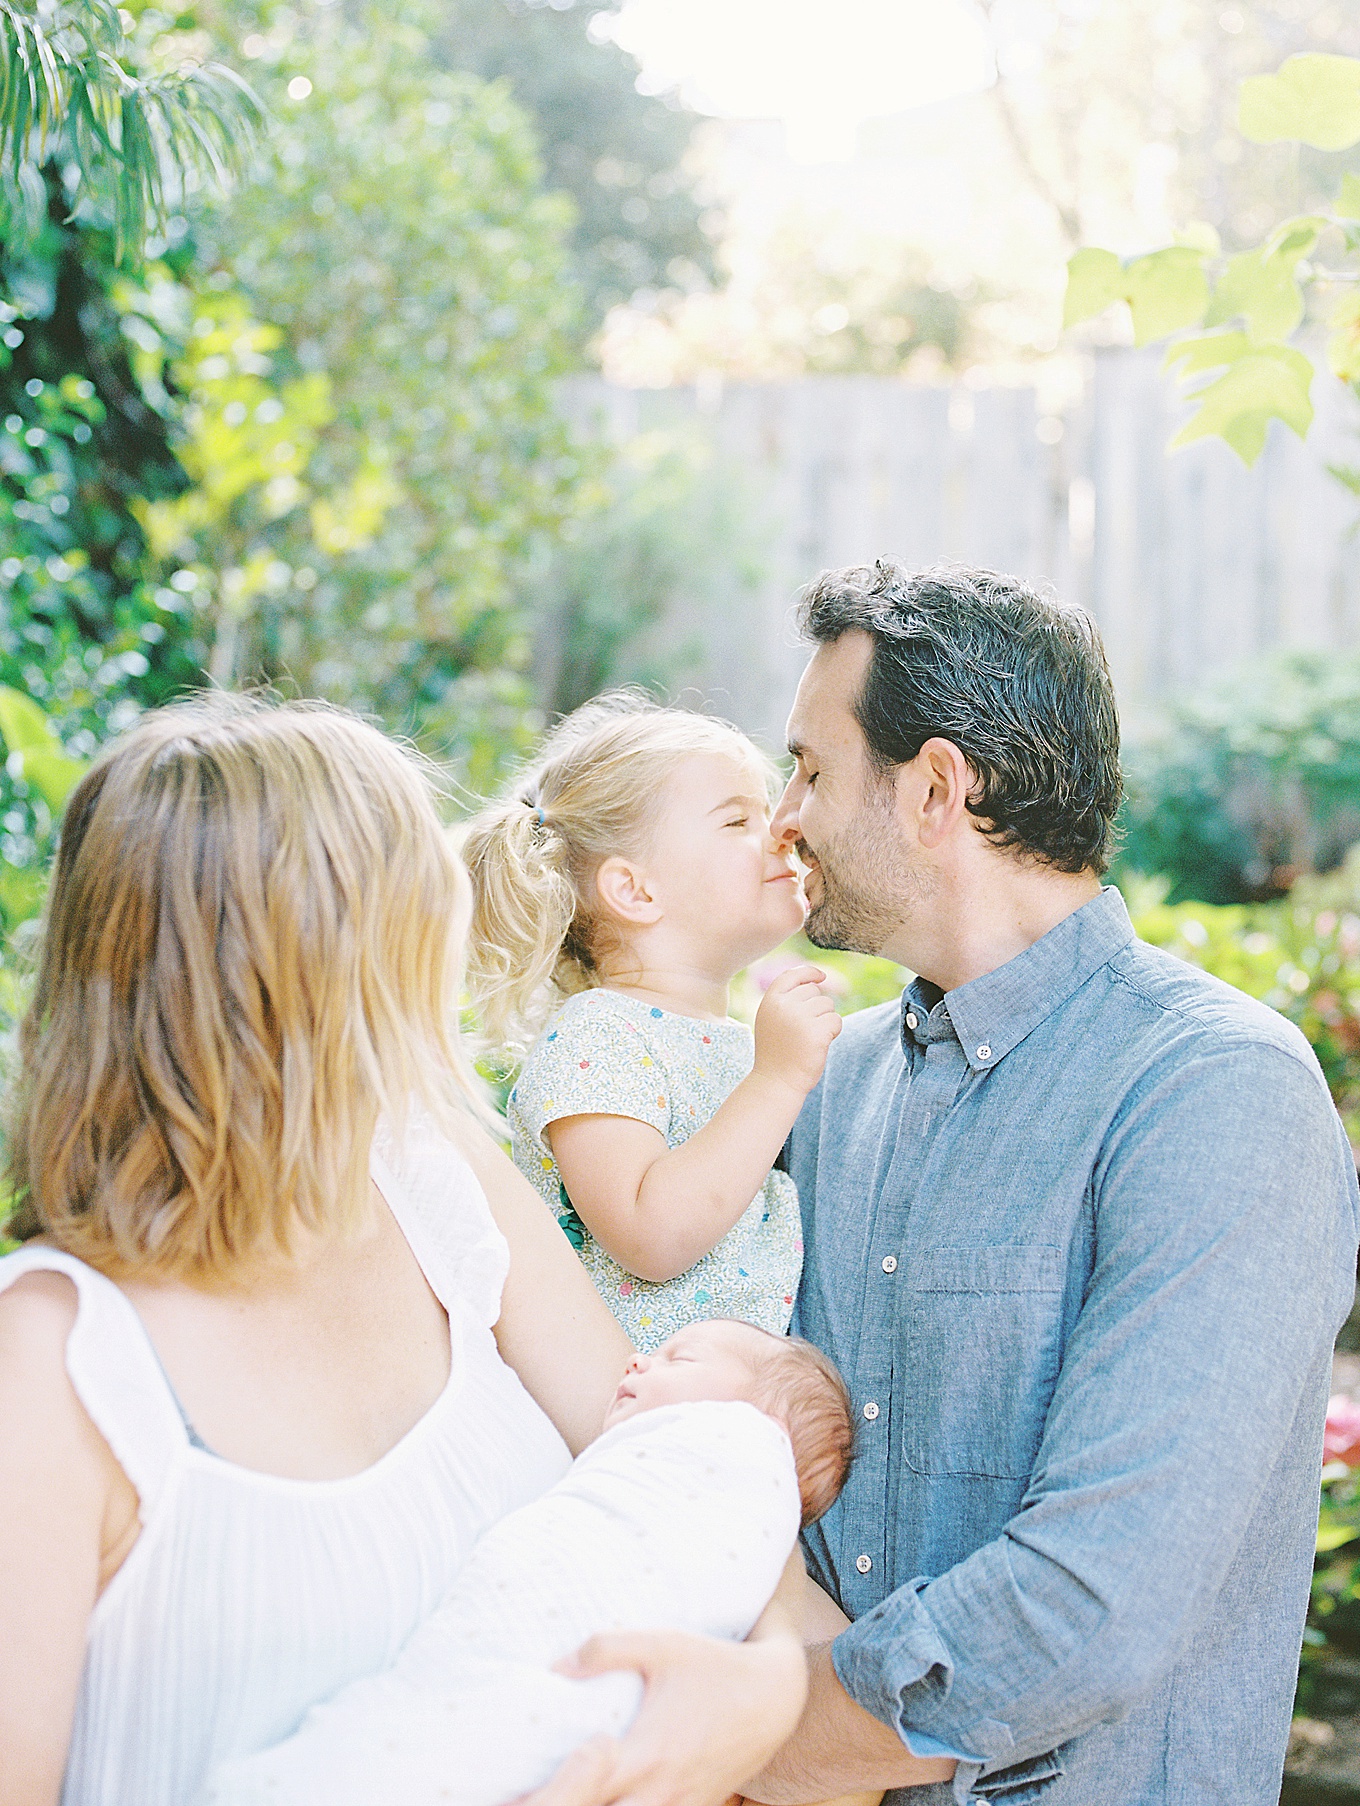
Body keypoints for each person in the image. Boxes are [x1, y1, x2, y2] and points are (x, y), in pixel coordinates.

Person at [529, 561, 1360, 1806]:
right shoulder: (829, 1084)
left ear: (933, 790)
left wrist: (749, 1730)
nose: (785, 818)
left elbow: (1097, 1602)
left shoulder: (1211, 1091)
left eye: (807, 770)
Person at [0, 696, 819, 1806]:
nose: (451, 901)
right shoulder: (51, 1363)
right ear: (319, 952)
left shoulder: (436, 1177)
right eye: (417, 876)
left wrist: (766, 1693)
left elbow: (683, 1470)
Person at [203, 1321, 855, 1806]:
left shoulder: (738, 1459)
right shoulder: (687, 1475)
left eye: (677, 1356)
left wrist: (773, 1678)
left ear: (764, 1422)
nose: (637, 1358)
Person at [462, 695, 841, 1351]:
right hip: (629, 1406)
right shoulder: (597, 1034)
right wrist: (777, 1080)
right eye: (736, 821)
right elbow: (650, 1234)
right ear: (635, 891)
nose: (782, 829)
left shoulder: (718, 1038)